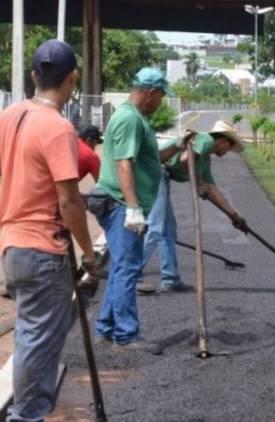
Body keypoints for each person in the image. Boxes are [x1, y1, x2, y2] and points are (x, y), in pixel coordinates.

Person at [0, 39, 101, 421]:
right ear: (72, 78)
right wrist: (89, 255)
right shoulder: (58, 129)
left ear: (33, 76)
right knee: (37, 340)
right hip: (43, 248)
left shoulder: (9, 115)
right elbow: (70, 201)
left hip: (12, 244)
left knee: (32, 332)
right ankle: (25, 417)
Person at [93, 67, 183, 353]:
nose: (160, 103)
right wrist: (133, 208)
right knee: (128, 269)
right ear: (151, 93)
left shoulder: (136, 119)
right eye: (160, 97)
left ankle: (106, 329)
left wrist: (177, 146)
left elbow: (150, 158)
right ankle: (126, 335)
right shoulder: (130, 119)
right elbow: (124, 164)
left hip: (123, 203)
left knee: (122, 268)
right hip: (121, 204)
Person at [137, 120, 248, 293]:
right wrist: (199, 182)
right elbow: (185, 160)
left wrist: (233, 216)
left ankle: (170, 279)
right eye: (229, 148)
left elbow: (213, 190)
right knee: (157, 227)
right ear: (224, 142)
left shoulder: (205, 160)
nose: (227, 152)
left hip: (160, 174)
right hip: (153, 170)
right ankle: (132, 275)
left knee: (169, 229)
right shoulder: (205, 139)